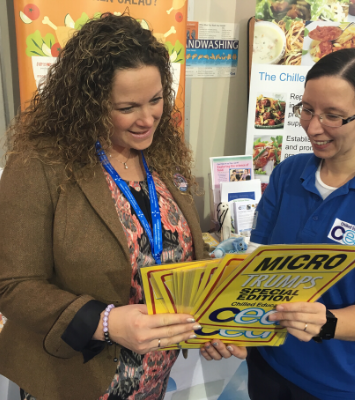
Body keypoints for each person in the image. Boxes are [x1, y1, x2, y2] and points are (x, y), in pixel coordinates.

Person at [0, 14, 241, 400]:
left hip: (154, 376)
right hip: (75, 378)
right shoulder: (40, 163)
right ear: (88, 103)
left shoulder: (163, 154)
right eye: (127, 107)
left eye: (156, 100)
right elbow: (12, 285)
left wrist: (205, 324)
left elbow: (174, 255)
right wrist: (105, 321)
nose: (148, 120)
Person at [219, 48, 355, 400]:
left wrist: (328, 323)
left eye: (332, 116)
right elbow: (257, 261)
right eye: (307, 109)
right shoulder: (289, 173)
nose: (312, 127)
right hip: (269, 361)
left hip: (340, 381)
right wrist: (231, 324)